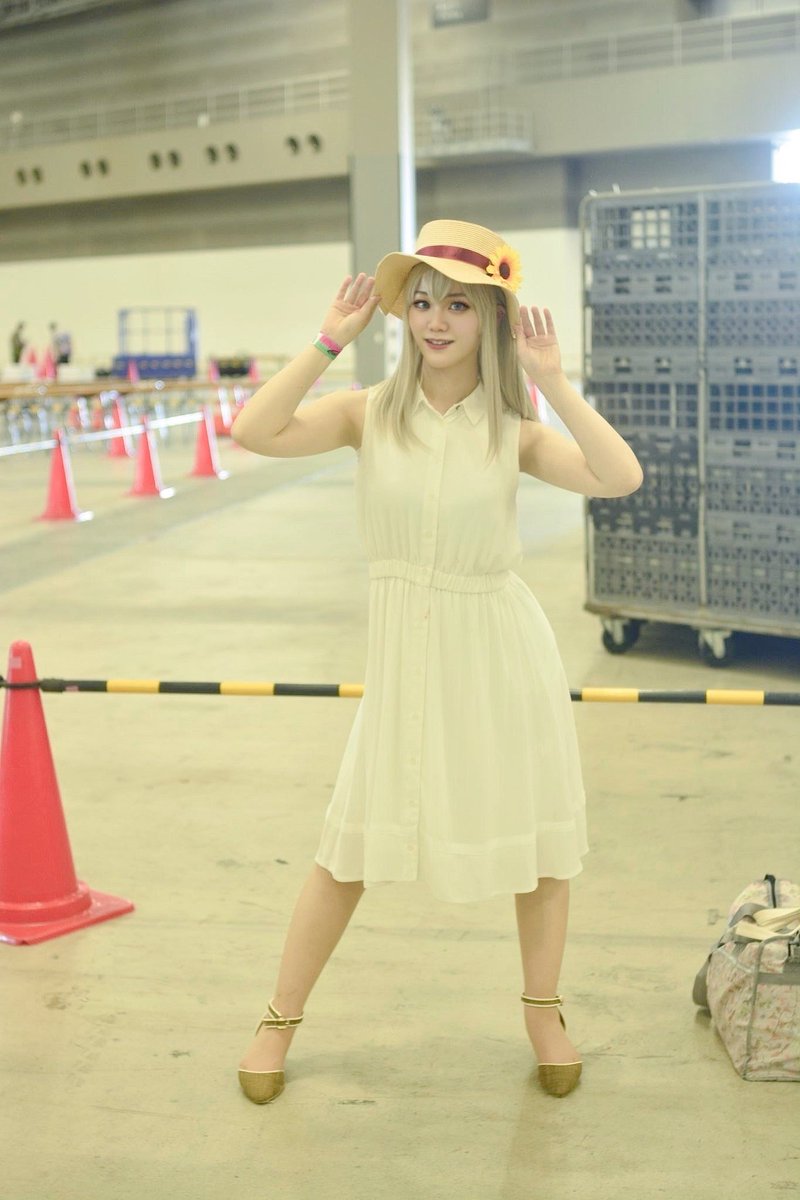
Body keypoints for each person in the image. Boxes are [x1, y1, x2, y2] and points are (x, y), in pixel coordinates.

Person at [231, 219, 643, 1106]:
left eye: (458, 304)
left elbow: (620, 477)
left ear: (490, 318)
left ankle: (543, 1012)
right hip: (403, 660)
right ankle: (277, 1019)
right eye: (421, 302)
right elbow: (253, 429)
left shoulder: (512, 431)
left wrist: (553, 383)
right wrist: (326, 342)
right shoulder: (366, 413)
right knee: (346, 848)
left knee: (538, 846)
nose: (436, 320)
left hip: (500, 657)